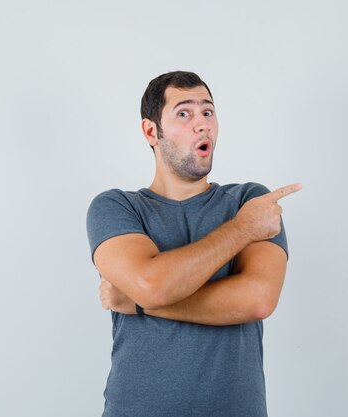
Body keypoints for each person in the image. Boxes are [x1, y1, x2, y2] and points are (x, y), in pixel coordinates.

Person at [86, 71, 301, 417]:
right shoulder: (116, 207)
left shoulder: (249, 200)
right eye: (184, 114)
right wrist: (243, 230)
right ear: (151, 131)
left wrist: (139, 304)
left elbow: (258, 299)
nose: (202, 125)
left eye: (208, 112)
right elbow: (152, 285)